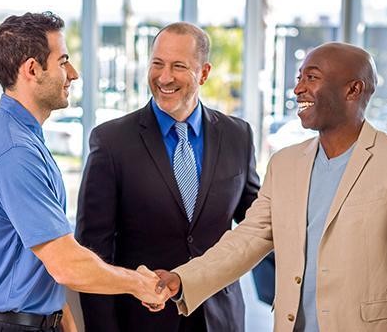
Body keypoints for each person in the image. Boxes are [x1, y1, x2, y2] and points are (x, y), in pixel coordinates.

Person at [153, 42, 387, 331]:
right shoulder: (285, 164)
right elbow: (248, 237)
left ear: (353, 89)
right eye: (299, 78)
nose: (298, 89)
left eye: (312, 77)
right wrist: (183, 279)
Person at [0, 12, 169, 332]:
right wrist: (138, 283)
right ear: (32, 69)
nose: (73, 73)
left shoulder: (17, 135)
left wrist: (63, 320)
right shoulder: (15, 152)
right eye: (63, 61)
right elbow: (66, 265)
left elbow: (40, 262)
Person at [75, 22, 260, 332]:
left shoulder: (237, 135)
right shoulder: (111, 141)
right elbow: (93, 251)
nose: (164, 77)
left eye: (178, 66)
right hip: (142, 319)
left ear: (203, 73)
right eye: (157, 64)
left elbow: (257, 222)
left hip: (220, 317)